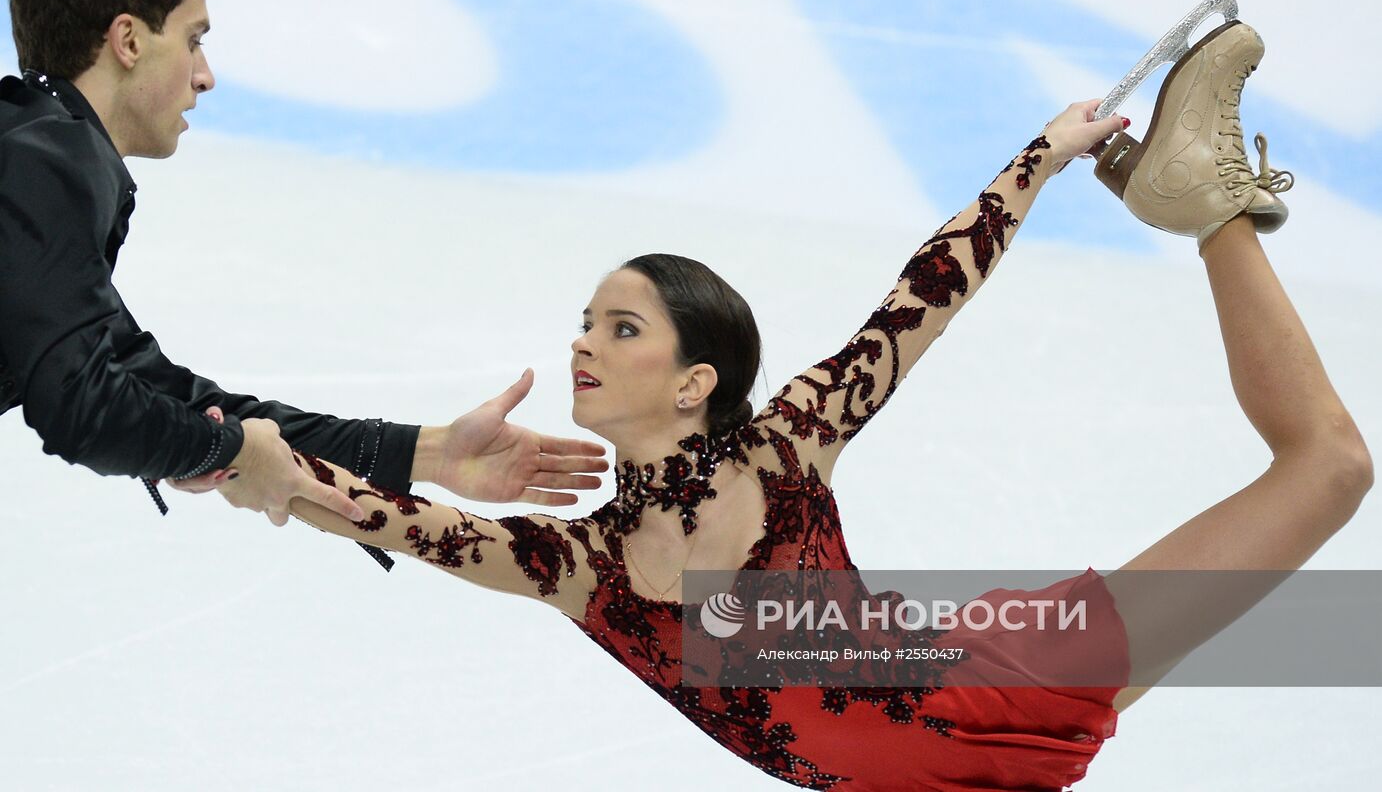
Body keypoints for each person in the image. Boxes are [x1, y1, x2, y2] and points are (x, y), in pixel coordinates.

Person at [223, 49, 1370, 787]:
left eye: (619, 327)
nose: (580, 340)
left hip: (993, 674)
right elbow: (390, 519)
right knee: (1323, 468)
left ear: (694, 379)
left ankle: (1201, 199)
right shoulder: (580, 567)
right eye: (584, 321)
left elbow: (922, 295)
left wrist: (1037, 160)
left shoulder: (780, 451)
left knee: (1326, 467)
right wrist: (245, 460)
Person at [0, 0, 608, 568]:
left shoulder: (32, 148)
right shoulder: (52, 161)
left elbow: (151, 388)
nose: (205, 75)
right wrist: (225, 452)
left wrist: (426, 452)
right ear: (129, 40)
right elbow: (85, 410)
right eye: (193, 38)